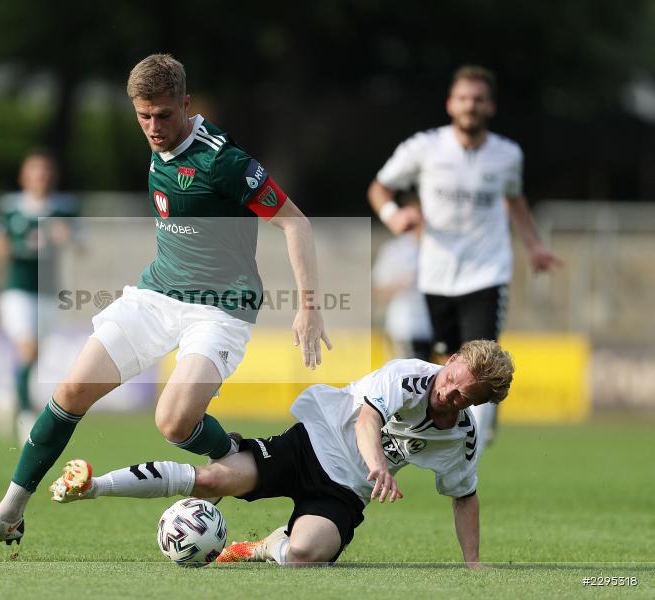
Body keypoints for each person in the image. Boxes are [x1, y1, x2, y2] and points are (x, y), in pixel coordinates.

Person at [0, 54, 331, 552]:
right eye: (143, 116)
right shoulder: (158, 142)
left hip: (219, 308)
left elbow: (295, 222)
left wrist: (309, 306)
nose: (152, 127)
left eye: (164, 115)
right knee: (69, 391)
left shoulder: (223, 161)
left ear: (186, 105)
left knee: (173, 422)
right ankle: (7, 514)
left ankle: (244, 460)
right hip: (155, 295)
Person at [50, 339, 514, 568]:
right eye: (451, 378)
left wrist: (472, 564)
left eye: (461, 396)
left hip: (344, 493)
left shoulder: (463, 436)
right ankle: (93, 486)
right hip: (309, 444)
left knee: (304, 557)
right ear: (451, 359)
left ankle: (269, 543)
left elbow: (464, 494)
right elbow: (367, 419)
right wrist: (379, 466)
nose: (448, 392)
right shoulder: (409, 375)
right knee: (212, 481)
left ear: (477, 404)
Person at [367, 65, 560, 452]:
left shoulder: (506, 155)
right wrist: (393, 216)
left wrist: (534, 245)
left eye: (478, 99)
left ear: (490, 106)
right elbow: (380, 187)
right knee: (450, 360)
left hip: (487, 272)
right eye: (463, 99)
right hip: (437, 275)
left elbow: (514, 199)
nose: (470, 106)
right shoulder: (424, 148)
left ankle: (473, 443)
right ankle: (446, 428)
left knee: (482, 356)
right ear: (450, 104)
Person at [0, 149, 79, 443]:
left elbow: (83, 244)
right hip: (18, 290)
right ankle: (26, 416)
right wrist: (18, 247)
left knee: (34, 353)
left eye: (45, 171)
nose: (41, 177)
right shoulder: (11, 207)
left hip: (49, 292)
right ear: (24, 176)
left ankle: (8, 395)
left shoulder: (64, 208)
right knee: (27, 349)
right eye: (35, 171)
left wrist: (68, 238)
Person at [371, 196, 432, 361]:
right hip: (406, 326)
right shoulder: (395, 249)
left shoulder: (439, 249)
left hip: (437, 326)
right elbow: (378, 288)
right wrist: (401, 283)